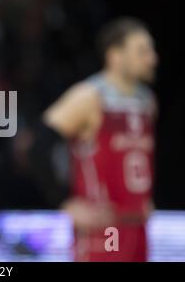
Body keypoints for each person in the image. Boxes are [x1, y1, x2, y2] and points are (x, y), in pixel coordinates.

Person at [31, 17, 158, 261]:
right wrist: (65, 202)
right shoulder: (88, 96)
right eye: (142, 51)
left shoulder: (148, 102)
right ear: (115, 56)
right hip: (102, 228)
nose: (152, 58)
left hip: (139, 225)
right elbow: (38, 147)